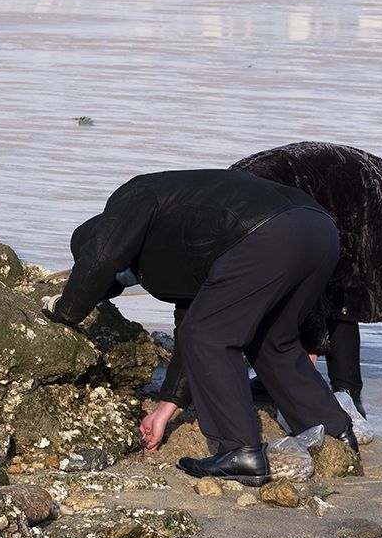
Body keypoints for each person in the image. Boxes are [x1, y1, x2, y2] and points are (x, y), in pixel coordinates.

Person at [42, 168, 357, 486]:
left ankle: (241, 451)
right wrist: (164, 411)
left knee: (210, 336)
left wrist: (65, 312)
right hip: (318, 229)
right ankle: (335, 434)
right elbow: (190, 329)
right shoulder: (180, 237)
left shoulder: (132, 199)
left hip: (267, 232)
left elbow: (101, 256)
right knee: (275, 340)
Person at [229, 140, 382, 425]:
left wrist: (310, 350)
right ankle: (273, 378)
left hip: (345, 186)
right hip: (308, 183)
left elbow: (303, 280)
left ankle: (347, 392)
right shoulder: (236, 206)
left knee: (340, 290)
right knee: (285, 288)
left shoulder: (247, 213)